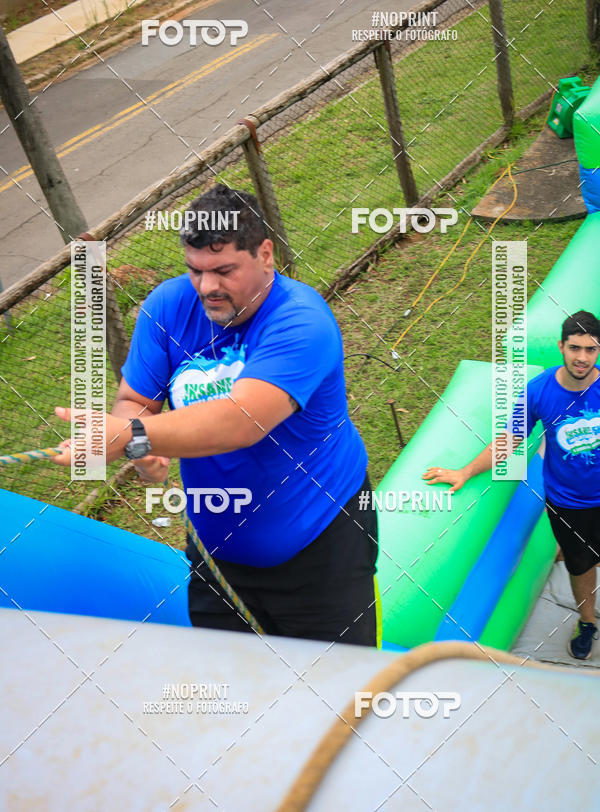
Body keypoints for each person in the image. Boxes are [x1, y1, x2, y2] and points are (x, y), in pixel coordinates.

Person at [53, 184, 378, 646]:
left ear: (265, 254)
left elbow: (240, 421)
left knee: (340, 700)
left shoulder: (302, 319)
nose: (207, 287)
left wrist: (133, 435)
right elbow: (135, 402)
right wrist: (139, 444)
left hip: (322, 550)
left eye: (224, 270)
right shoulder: (168, 307)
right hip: (214, 555)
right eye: (195, 270)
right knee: (235, 698)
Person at [423, 310, 600, 661]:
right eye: (575, 348)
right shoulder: (539, 391)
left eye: (591, 350)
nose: (582, 358)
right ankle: (588, 621)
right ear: (561, 347)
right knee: (581, 567)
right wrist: (466, 471)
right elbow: (509, 440)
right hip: (569, 504)